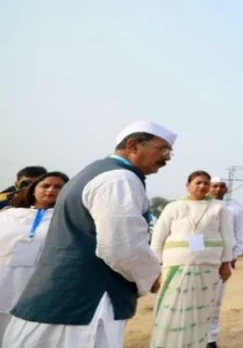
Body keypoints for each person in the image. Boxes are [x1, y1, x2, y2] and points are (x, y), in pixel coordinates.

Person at [4, 121, 175, 348]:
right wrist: (150, 275)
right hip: (85, 305)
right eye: (162, 149)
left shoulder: (98, 171)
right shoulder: (119, 179)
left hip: (62, 300)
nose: (167, 158)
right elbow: (123, 247)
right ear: (133, 145)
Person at [149, 171, 235, 348]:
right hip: (174, 267)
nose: (203, 186)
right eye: (198, 182)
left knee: (201, 312)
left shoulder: (218, 207)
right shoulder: (173, 207)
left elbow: (227, 237)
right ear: (188, 186)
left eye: (206, 183)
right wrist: (154, 267)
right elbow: (158, 237)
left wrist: (226, 263)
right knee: (171, 310)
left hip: (208, 268)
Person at [0, 172, 69, 341]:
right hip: (5, 283)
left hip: (41, 289)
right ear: (33, 190)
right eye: (45, 185)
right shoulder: (8, 215)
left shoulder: (70, 221)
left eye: (58, 187)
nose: (51, 190)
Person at [207, 176, 243, 348]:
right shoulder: (199, 205)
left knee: (215, 301)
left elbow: (238, 234)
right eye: (215, 186)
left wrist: (233, 257)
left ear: (226, 189)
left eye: (222, 186)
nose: (218, 189)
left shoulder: (234, 209)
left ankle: (211, 339)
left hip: (222, 261)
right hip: (200, 261)